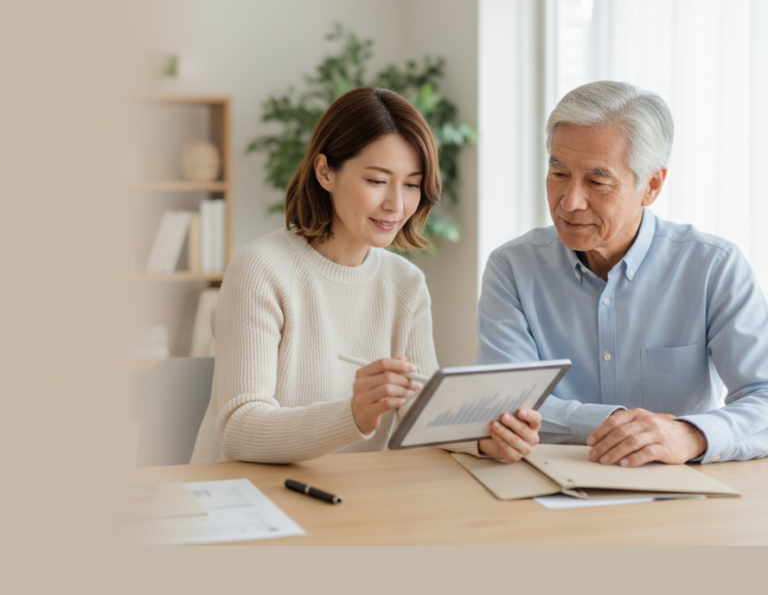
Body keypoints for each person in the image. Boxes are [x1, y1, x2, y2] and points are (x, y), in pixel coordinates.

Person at [191, 87, 540, 464]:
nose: (396, 204)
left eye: (411, 184)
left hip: (347, 498)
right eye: (377, 181)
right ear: (325, 172)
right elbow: (238, 430)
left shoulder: (405, 284)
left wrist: (485, 437)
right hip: (244, 502)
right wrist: (353, 415)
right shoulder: (260, 269)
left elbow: (422, 415)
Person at [478, 80, 768, 467]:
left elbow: (763, 397)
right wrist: (613, 423)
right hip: (546, 489)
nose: (570, 201)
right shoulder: (512, 268)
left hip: (676, 493)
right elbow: (508, 406)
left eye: (597, 181)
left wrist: (690, 434)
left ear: (651, 186)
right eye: (559, 173)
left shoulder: (713, 267)